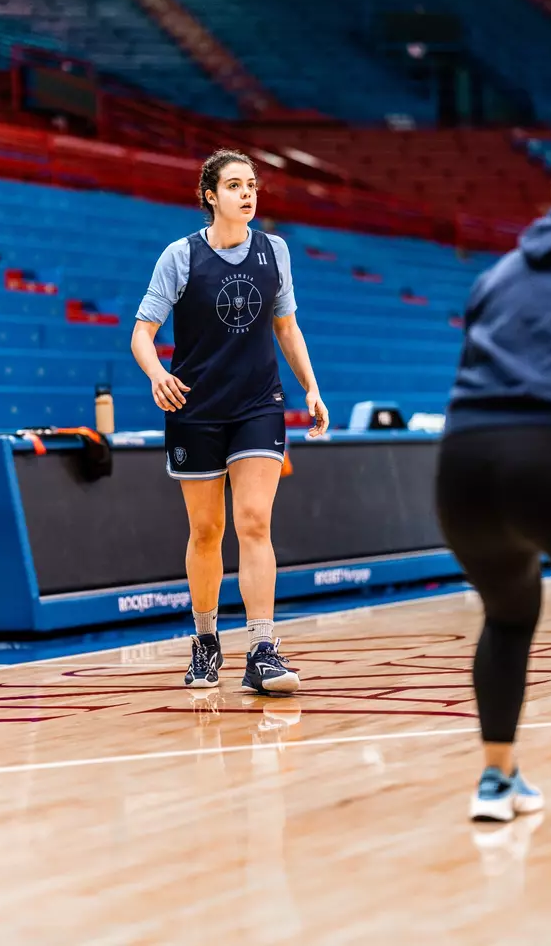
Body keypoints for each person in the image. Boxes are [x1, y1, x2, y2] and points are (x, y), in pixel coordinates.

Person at [437, 131, 551, 822]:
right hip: (546, 456)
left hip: (461, 465)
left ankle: (496, 781)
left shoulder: (499, 273)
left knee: (508, 615)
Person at [132, 149, 328, 695]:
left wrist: (310, 386)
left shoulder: (276, 252)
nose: (248, 194)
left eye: (253, 185)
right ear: (210, 196)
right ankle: (205, 641)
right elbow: (142, 333)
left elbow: (287, 327)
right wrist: (156, 374)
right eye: (236, 185)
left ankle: (263, 649)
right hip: (195, 407)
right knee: (206, 531)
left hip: (258, 405)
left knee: (254, 523)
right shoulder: (180, 256)